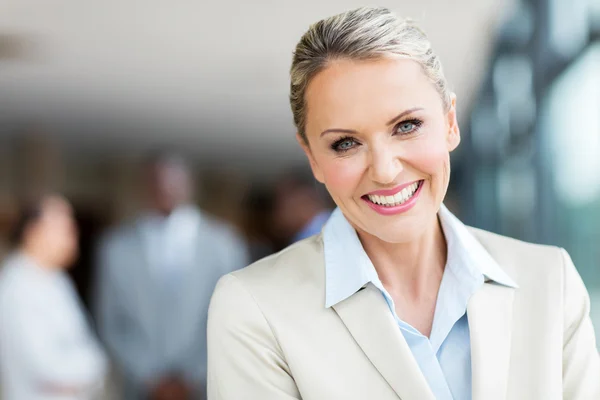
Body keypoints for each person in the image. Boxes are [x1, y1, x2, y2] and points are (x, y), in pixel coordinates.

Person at [207, 7, 600, 400]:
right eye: (345, 143)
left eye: (406, 126)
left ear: (450, 123)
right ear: (313, 158)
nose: (385, 170)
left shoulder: (551, 281)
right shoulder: (254, 308)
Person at [95, 151, 249, 400]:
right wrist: (151, 376)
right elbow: (110, 321)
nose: (164, 188)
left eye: (173, 179)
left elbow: (233, 316)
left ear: (190, 184)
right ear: (142, 186)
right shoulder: (116, 247)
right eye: (155, 180)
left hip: (205, 385)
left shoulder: (225, 243)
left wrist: (193, 376)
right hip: (140, 388)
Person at [0, 195, 107, 400]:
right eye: (64, 227)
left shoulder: (57, 280)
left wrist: (90, 368)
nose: (73, 234)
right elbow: (47, 369)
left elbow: (89, 350)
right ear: (33, 232)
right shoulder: (17, 286)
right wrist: (91, 368)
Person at [270, 170, 332, 246]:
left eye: (282, 203)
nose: (278, 213)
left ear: (302, 199)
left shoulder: (309, 240)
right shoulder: (339, 224)